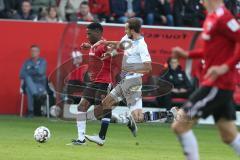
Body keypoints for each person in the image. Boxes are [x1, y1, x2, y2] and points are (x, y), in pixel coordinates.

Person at [171, 0, 240, 159]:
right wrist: (187, 54)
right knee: (228, 135)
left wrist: (224, 67)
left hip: (218, 84)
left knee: (180, 124)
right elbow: (211, 52)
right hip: (218, 84)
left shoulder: (225, 18)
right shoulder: (211, 17)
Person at [84, 18, 152, 145]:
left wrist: (129, 68)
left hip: (133, 82)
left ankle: (169, 115)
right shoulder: (128, 37)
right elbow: (120, 46)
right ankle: (101, 137)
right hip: (126, 80)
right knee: (108, 103)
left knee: (135, 115)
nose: (125, 31)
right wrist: (110, 53)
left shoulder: (142, 45)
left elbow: (148, 67)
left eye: (126, 28)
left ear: (132, 30)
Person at [70, 22, 115, 145]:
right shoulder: (93, 45)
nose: (87, 36)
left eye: (89, 34)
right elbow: (95, 47)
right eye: (86, 34)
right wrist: (88, 45)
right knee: (81, 107)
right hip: (93, 82)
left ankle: (120, 121)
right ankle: (81, 139)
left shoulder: (104, 45)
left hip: (104, 82)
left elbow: (112, 50)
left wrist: (110, 54)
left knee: (100, 112)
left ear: (98, 33)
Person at [20, 45, 47, 117]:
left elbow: (41, 72)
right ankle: (36, 95)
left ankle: (30, 111)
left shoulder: (42, 61)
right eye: (32, 51)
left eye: (35, 51)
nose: (33, 52)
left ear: (38, 52)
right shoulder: (26, 62)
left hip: (40, 85)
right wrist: (35, 70)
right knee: (27, 77)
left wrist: (29, 70)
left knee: (28, 88)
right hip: (31, 85)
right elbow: (21, 74)